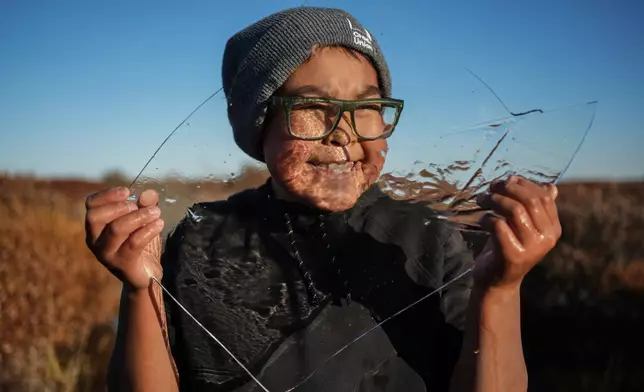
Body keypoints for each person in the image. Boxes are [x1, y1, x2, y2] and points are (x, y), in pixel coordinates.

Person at [85, 6, 562, 392]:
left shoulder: (425, 236)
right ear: (259, 125)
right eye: (313, 107)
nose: (345, 134)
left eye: (369, 107)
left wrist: (500, 290)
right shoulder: (202, 235)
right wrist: (138, 287)